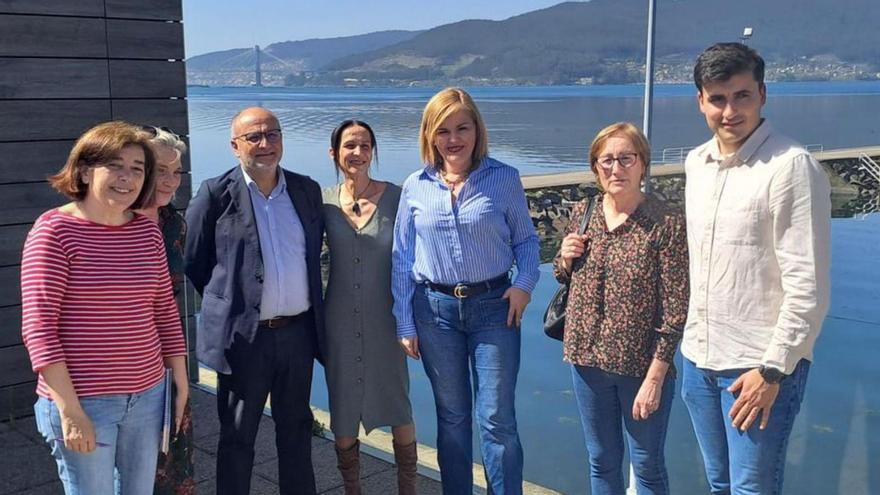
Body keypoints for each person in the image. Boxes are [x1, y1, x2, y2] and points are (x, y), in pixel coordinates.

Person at [681, 43, 831, 495]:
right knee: (719, 484)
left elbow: (810, 286)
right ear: (700, 101)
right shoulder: (697, 164)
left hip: (757, 366)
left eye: (742, 96)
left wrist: (773, 370)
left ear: (763, 94)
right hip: (698, 360)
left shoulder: (791, 167)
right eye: (718, 98)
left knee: (752, 490)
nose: (730, 111)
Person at [21, 121, 189, 494]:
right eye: (115, 165)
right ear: (83, 169)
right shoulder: (54, 232)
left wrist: (179, 378)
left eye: (137, 168)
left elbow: (163, 309)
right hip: (84, 401)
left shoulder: (146, 232)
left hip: (147, 397)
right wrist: (70, 410)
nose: (126, 178)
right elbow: (39, 328)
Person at [392, 87, 540, 494]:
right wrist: (404, 321)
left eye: (462, 127)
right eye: (443, 130)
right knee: (452, 417)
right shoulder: (415, 186)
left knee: (496, 418)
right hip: (434, 312)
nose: (453, 139)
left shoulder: (503, 178)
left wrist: (524, 285)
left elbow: (527, 242)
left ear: (477, 130)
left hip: (495, 308)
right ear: (430, 135)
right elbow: (403, 256)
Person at [184, 107, 325, 495]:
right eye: (254, 137)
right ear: (235, 146)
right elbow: (196, 262)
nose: (265, 144)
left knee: (296, 431)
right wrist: (232, 304)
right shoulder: (215, 194)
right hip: (244, 339)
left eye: (273, 134)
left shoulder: (306, 190)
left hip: (298, 334)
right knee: (237, 436)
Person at [553, 122, 689, 495]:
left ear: (642, 164)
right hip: (585, 359)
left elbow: (676, 309)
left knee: (646, 467)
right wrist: (563, 259)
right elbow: (565, 277)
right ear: (596, 167)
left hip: (639, 366)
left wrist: (655, 377)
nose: (616, 169)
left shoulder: (666, 223)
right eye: (607, 160)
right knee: (602, 461)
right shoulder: (584, 211)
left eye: (626, 159)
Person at [322, 119, 418, 494]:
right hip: (338, 322)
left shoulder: (397, 197)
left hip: (388, 319)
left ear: (373, 152)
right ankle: (353, 490)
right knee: (343, 410)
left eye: (364, 146)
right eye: (349, 146)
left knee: (399, 404)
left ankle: (407, 489)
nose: (357, 153)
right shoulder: (323, 202)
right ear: (334, 153)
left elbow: (416, 256)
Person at [133, 126, 195, 495]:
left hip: (167, 349)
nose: (171, 181)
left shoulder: (173, 223)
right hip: (121, 358)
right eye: (161, 170)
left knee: (173, 452)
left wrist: (179, 367)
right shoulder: (113, 221)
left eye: (177, 171)